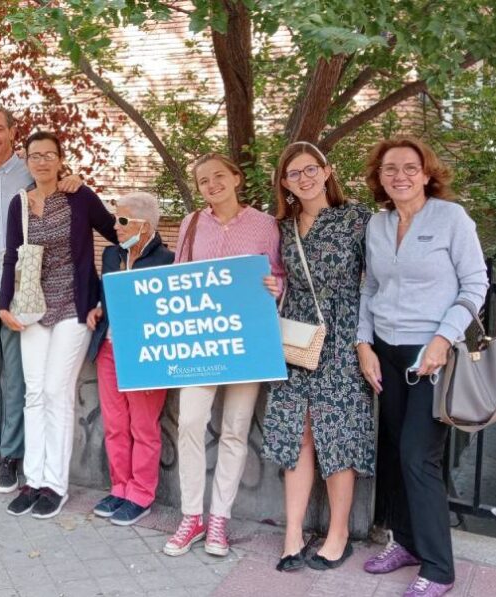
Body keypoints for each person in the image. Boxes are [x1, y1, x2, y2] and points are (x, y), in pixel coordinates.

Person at [356, 136, 488, 597]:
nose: (400, 176)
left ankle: (438, 568)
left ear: (427, 173)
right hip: (386, 354)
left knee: (418, 456)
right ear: (380, 177)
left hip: (433, 357)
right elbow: (369, 288)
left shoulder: (450, 218)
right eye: (390, 168)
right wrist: (362, 342)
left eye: (410, 168)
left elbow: (475, 284)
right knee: (394, 453)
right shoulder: (378, 223)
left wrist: (442, 337)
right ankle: (406, 543)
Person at [260, 141, 374, 572]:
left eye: (311, 170)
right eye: (294, 174)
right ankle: (293, 533)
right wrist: (275, 289)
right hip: (294, 337)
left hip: (343, 339)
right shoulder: (282, 227)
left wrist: (367, 342)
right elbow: (281, 278)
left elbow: (378, 283)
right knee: (298, 434)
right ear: (285, 184)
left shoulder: (357, 219)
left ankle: (338, 534)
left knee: (337, 435)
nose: (304, 179)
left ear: (326, 172)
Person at [163, 153, 284, 557]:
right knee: (190, 424)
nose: (212, 185)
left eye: (219, 176)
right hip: (200, 340)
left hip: (247, 341)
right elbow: (178, 274)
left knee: (235, 430)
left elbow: (281, 275)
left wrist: (275, 286)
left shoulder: (266, 225)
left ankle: (219, 520)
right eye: (203, 180)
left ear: (236, 178)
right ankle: (192, 516)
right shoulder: (192, 224)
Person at [0, 105, 82, 493]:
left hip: (22, 289)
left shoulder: (30, 170)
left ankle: (12, 456)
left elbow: (64, 190)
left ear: (12, 133)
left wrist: (74, 179)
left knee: (17, 379)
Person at [0, 131, 119, 520]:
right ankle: (32, 480)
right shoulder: (19, 203)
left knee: (56, 390)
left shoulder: (79, 197)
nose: (43, 162)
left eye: (50, 155)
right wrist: (3, 304)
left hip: (74, 307)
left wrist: (103, 297)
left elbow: (118, 237)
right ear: (27, 161)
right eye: (35, 156)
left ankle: (56, 485)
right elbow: (10, 258)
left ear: (60, 159)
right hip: (32, 308)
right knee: (33, 394)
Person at [86, 192, 174, 525]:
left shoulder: (169, 261)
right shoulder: (110, 255)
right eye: (115, 219)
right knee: (115, 426)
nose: (115, 226)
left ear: (145, 224)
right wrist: (97, 309)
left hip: (146, 356)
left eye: (122, 220)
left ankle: (141, 494)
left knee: (143, 427)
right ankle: (120, 487)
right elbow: (104, 294)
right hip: (109, 350)